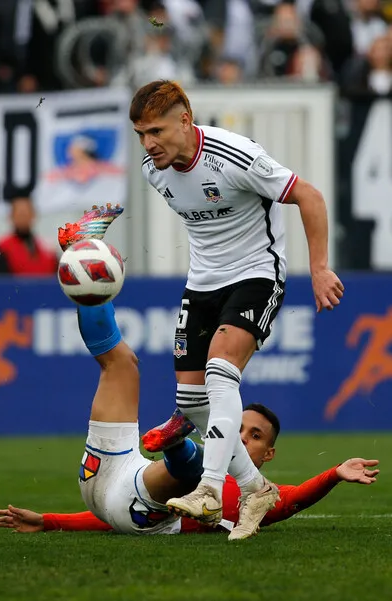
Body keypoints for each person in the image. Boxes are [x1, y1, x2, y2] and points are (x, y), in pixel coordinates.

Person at [128, 80, 343, 536]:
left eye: (156, 131)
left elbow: (310, 196)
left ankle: (208, 488)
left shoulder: (235, 156)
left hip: (256, 274)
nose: (148, 144)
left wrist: (320, 268)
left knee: (220, 371)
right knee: (191, 401)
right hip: (201, 284)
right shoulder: (154, 169)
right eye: (140, 134)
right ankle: (256, 488)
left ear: (185, 120)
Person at [0, 406, 380, 534]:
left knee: (150, 500)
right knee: (180, 478)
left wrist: (335, 473)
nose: (243, 438)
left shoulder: (255, 500)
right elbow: (112, 513)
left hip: (149, 513)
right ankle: (180, 445)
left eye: (255, 435)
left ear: (269, 453)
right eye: (238, 429)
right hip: (147, 490)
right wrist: (48, 520)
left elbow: (293, 499)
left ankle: (180, 443)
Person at [0, 197, 58, 276]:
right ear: (11, 217)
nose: (23, 218)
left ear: (33, 215)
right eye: (20, 214)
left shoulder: (49, 249)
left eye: (26, 213)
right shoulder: (1, 248)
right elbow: (1, 283)